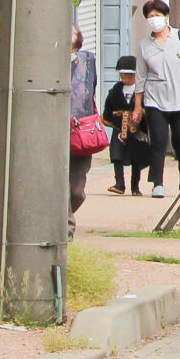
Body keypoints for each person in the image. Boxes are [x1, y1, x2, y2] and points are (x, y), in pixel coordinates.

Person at [136, 0, 180, 197]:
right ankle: (157, 183)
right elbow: (140, 77)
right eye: (150, 16)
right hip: (155, 99)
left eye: (157, 15)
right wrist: (138, 105)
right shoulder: (144, 45)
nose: (154, 19)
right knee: (158, 141)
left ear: (166, 16)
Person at [67, 26, 101, 235]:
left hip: (81, 131)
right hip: (54, 133)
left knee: (76, 191)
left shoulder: (87, 61)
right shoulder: (46, 64)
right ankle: (65, 228)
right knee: (58, 187)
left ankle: (63, 218)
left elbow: (90, 91)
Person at [104, 56, 149, 193]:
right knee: (117, 156)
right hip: (119, 128)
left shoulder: (142, 90)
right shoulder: (116, 90)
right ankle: (119, 184)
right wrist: (110, 118)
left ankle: (135, 187)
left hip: (136, 129)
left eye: (129, 76)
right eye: (123, 75)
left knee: (136, 158)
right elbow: (108, 108)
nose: (126, 78)